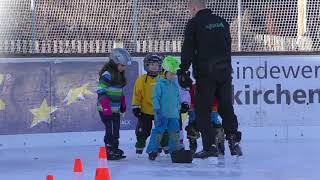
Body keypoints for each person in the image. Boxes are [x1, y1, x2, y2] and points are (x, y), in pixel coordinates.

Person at [177, 0, 242, 158]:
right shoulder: (222, 22)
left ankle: (210, 146)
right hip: (225, 71)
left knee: (203, 111)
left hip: (206, 74)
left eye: (189, 10)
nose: (190, 13)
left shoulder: (194, 23)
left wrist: (183, 69)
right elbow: (228, 44)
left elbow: (188, 48)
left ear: (193, 8)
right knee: (226, 107)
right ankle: (234, 142)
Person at [146, 56, 184, 161]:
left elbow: (176, 99)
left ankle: (175, 150)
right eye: (171, 74)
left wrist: (178, 109)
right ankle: (152, 150)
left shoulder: (175, 85)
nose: (173, 76)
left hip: (174, 115)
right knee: (158, 132)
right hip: (162, 114)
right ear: (164, 72)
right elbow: (155, 98)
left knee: (174, 133)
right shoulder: (159, 84)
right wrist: (157, 111)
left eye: (174, 74)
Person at [96, 48, 131, 160]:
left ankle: (115, 148)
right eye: (122, 65)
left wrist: (122, 104)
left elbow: (119, 92)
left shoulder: (120, 75)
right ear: (115, 62)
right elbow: (101, 90)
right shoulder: (107, 74)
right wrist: (105, 106)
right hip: (105, 108)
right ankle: (109, 148)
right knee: (109, 128)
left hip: (115, 109)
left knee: (116, 129)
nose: (123, 68)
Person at [131, 54, 169, 154]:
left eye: (156, 65)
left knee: (163, 130)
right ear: (146, 66)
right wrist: (136, 107)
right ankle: (140, 147)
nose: (154, 67)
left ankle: (165, 146)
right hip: (145, 111)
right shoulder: (142, 79)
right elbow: (137, 94)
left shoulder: (163, 79)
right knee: (143, 131)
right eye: (151, 64)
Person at [185, 84, 225, 155]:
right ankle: (192, 144)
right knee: (192, 121)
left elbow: (216, 99)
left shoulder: (212, 86)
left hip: (210, 107)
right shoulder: (193, 87)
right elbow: (190, 99)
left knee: (214, 121)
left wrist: (213, 108)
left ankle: (219, 144)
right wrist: (192, 109)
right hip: (197, 108)